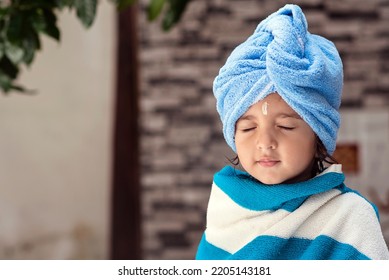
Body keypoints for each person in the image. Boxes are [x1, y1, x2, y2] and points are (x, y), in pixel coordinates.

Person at [195, 4, 389, 260]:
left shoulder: (349, 217)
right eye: (248, 127)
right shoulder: (227, 205)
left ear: (318, 136)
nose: (264, 142)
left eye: (285, 126)